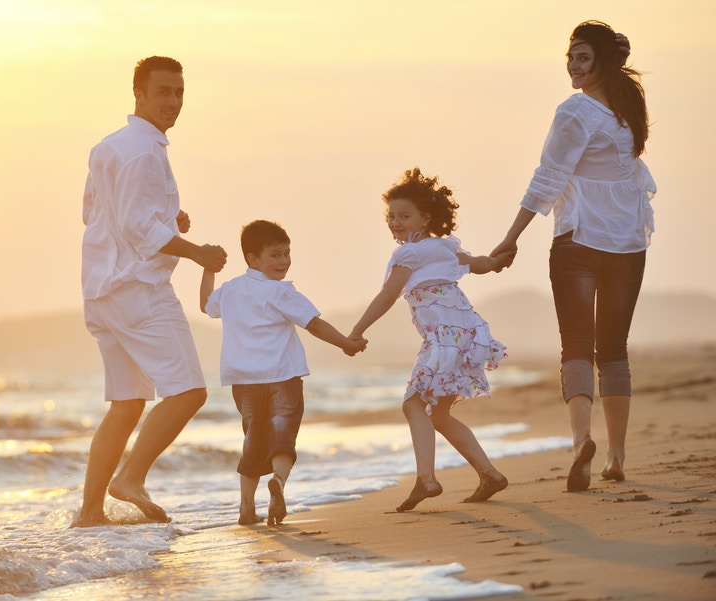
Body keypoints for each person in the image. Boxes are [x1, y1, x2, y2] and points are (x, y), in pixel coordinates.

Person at [491, 21, 655, 492]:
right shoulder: (626, 110)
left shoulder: (576, 111)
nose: (573, 65)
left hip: (580, 239)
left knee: (578, 345)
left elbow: (548, 176)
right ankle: (616, 456)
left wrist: (511, 237)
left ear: (603, 60)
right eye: (570, 57)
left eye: (583, 57)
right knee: (614, 348)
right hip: (627, 241)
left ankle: (583, 438)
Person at [74, 56, 228, 527]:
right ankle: (131, 477)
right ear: (138, 93)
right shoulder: (144, 152)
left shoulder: (109, 146)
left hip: (101, 292)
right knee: (188, 392)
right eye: (163, 92)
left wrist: (167, 223)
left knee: (127, 404)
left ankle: (90, 513)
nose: (173, 102)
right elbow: (138, 226)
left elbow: (96, 215)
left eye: (179, 93)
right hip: (138, 290)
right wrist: (198, 251)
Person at [349, 168, 514, 512]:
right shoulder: (445, 247)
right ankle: (489, 474)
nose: (395, 222)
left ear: (425, 218)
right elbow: (479, 263)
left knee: (412, 405)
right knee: (437, 415)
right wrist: (497, 262)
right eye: (391, 216)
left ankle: (426, 479)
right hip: (466, 334)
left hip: (443, 339)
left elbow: (388, 295)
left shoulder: (409, 255)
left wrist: (357, 330)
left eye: (404, 216)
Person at [200, 220, 367, 526]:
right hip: (282, 376)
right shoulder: (280, 292)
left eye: (287, 253)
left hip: (244, 382)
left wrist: (208, 268)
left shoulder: (231, 290)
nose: (284, 261)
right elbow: (313, 323)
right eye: (275, 255)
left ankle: (246, 508)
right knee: (282, 435)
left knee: (252, 439)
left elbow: (205, 305)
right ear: (253, 259)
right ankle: (278, 481)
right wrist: (346, 343)